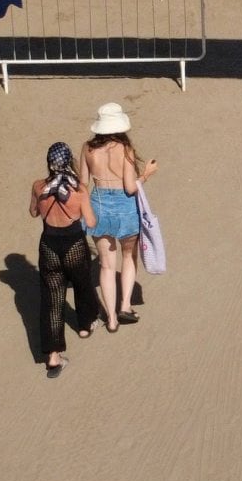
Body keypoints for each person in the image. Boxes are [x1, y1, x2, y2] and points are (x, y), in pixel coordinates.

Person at [80, 102, 157, 333]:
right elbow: (131, 188)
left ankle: (111, 319)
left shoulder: (87, 148)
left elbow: (83, 183)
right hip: (125, 207)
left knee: (105, 265)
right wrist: (147, 175)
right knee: (128, 257)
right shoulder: (125, 149)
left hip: (99, 204)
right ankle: (125, 305)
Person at [28, 142, 98, 378]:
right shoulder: (79, 191)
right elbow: (90, 222)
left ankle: (53, 356)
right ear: (69, 162)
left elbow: (33, 212)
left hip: (49, 244)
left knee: (52, 299)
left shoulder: (39, 187)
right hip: (74, 243)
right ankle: (86, 325)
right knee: (82, 284)